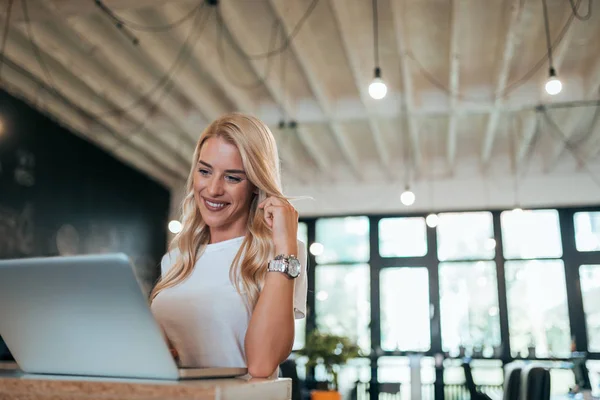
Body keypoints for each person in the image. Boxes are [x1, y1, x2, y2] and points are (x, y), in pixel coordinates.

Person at [150, 112, 307, 379]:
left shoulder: (283, 255)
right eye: (204, 171)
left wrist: (285, 246)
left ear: (256, 185)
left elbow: (261, 364)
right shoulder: (176, 259)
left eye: (232, 178)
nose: (212, 189)